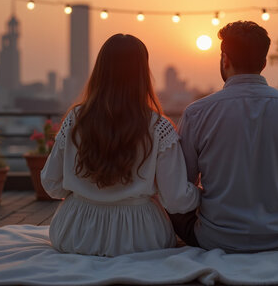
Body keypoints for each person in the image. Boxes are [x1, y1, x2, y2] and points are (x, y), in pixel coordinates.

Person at [169, 21, 278, 253]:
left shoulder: (196, 113)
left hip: (214, 238)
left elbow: (183, 188)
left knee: (171, 202)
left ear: (225, 60)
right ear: (264, 63)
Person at [41, 33, 200, 257]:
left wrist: (86, 189)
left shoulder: (76, 119)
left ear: (100, 70)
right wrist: (201, 194)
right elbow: (175, 200)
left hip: (75, 235)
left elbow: (51, 184)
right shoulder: (159, 126)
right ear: (143, 73)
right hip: (140, 238)